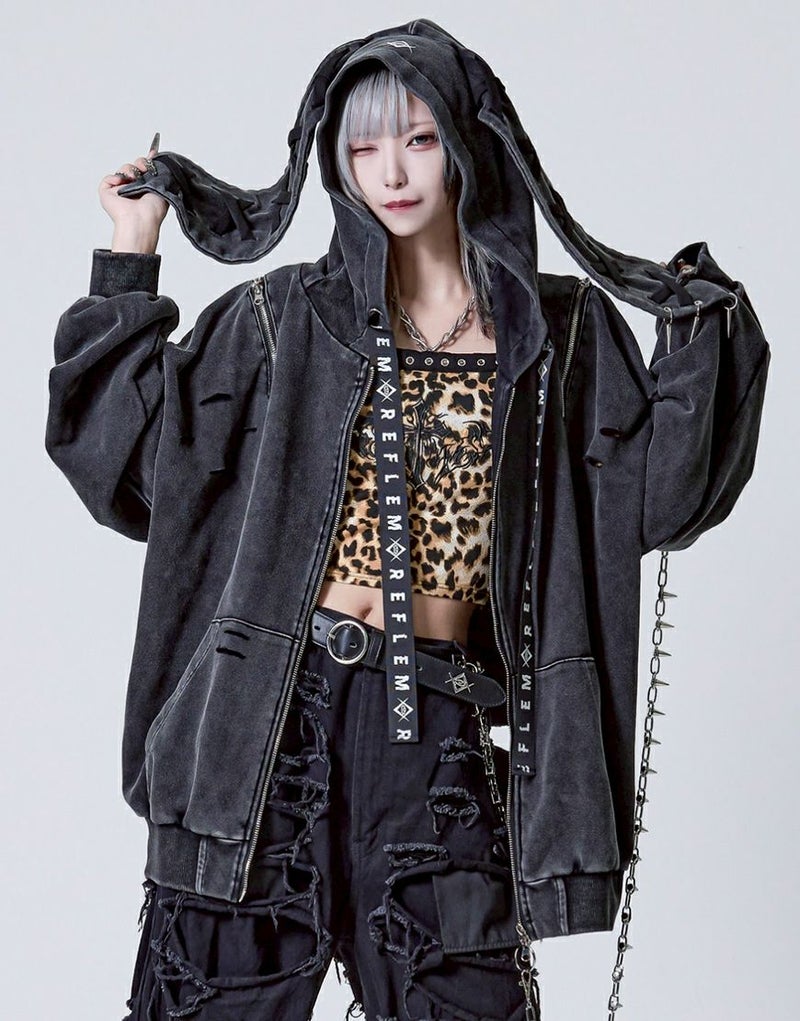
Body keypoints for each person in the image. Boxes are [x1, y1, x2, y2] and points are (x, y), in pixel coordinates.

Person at [45, 17, 770, 1021]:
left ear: (467, 144)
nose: (390, 171)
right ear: (336, 163)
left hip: (436, 737)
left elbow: (661, 498)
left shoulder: (556, 336)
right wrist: (131, 248)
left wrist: (698, 321)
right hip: (264, 731)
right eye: (363, 146)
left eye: (419, 138)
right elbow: (127, 461)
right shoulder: (280, 320)